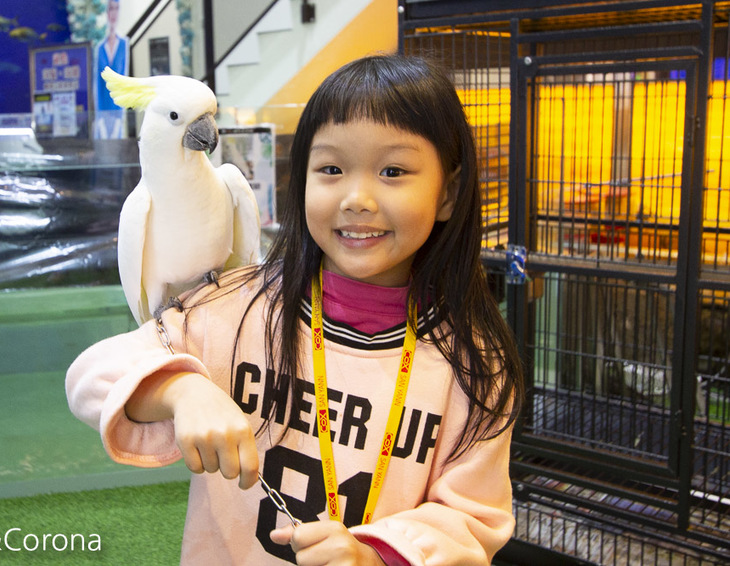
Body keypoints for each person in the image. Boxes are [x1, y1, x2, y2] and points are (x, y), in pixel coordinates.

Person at [66, 53, 523, 565]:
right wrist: (179, 389)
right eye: (331, 169)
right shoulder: (234, 310)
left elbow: (473, 518)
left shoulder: (475, 366)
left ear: (448, 194)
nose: (357, 198)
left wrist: (376, 556)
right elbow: (90, 376)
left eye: (393, 171)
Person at [94, 0, 129, 139]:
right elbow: (97, 83)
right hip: (102, 111)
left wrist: (121, 115)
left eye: (116, 9)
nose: (113, 13)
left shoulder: (124, 44)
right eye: (111, 9)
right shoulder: (100, 48)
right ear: (107, 12)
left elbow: (125, 81)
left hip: (118, 111)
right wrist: (99, 116)